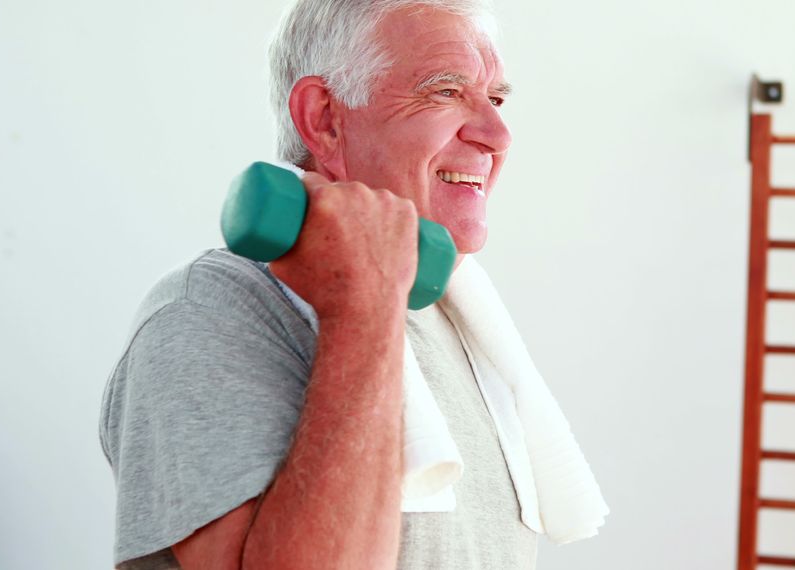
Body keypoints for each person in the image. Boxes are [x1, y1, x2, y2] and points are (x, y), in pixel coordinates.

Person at [99, 1, 607, 569]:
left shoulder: (457, 323)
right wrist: (364, 310)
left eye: (496, 99)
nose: (497, 133)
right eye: (445, 91)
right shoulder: (208, 313)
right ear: (324, 119)